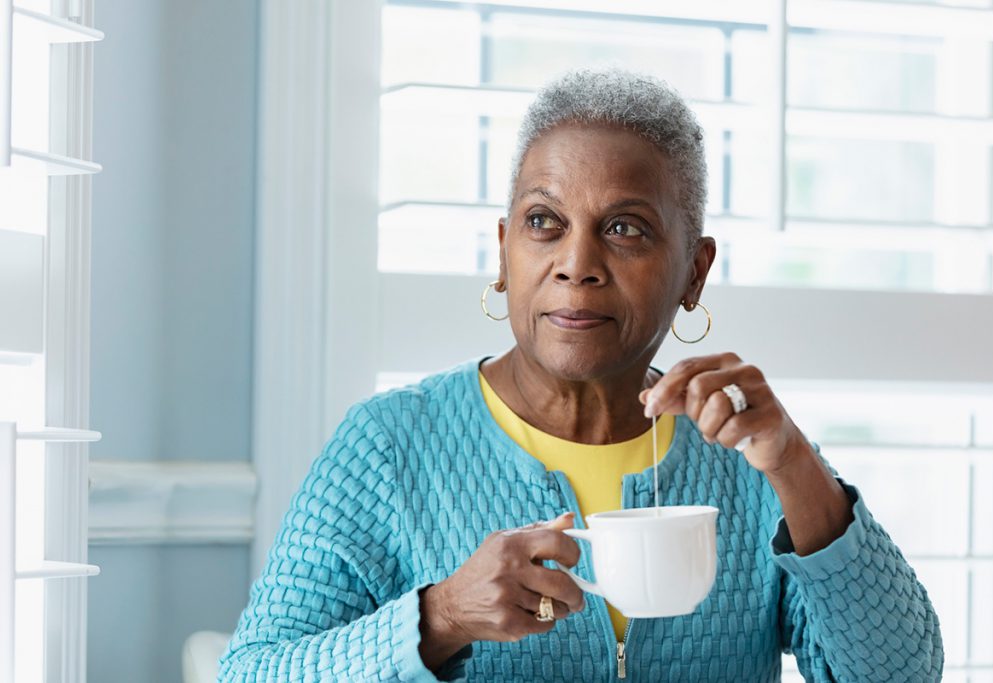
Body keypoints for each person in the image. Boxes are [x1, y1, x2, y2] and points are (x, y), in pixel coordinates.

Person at [219, 68, 943, 682]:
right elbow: (251, 671)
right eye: (544, 222)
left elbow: (901, 671)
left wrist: (792, 461)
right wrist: (441, 617)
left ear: (695, 270)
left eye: (625, 227)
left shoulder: (748, 457)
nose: (577, 263)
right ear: (504, 255)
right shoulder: (389, 446)